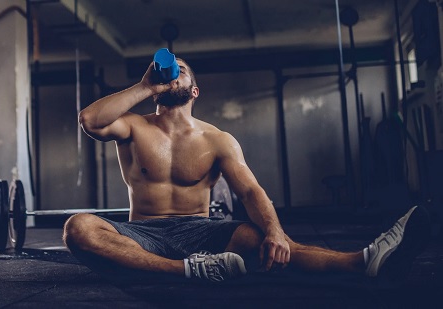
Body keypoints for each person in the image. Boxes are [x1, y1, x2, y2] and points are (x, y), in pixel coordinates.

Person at [63, 57, 430, 282]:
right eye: (169, 74)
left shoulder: (219, 139)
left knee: (268, 244)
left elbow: (252, 191)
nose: (175, 75)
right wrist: (145, 86)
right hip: (143, 232)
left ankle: (365, 260)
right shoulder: (132, 127)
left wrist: (274, 231)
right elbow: (90, 119)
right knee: (78, 228)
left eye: (183, 72)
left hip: (202, 232)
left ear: (194, 91)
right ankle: (189, 271)